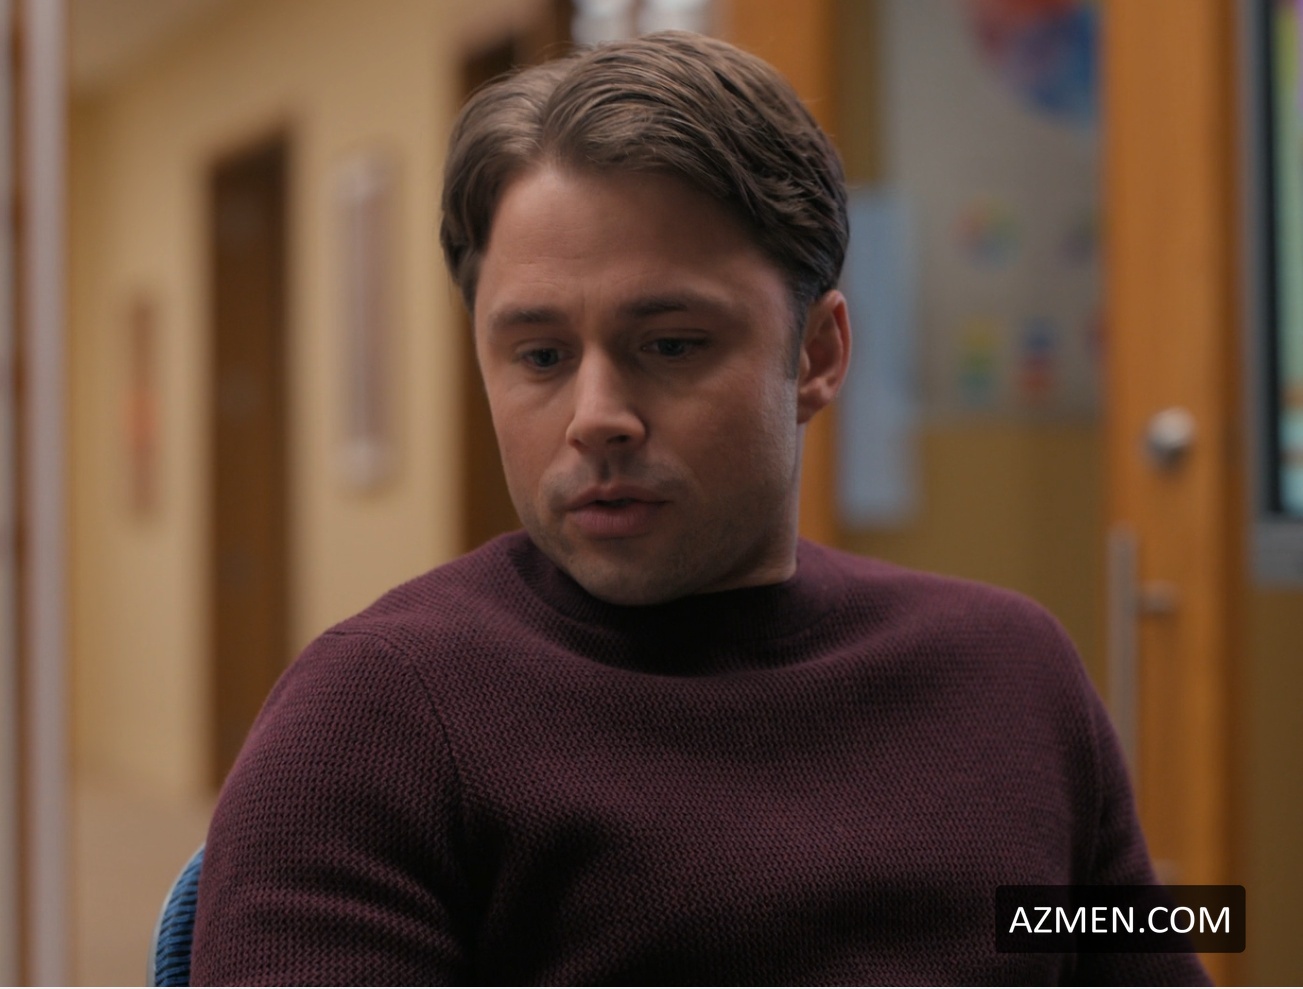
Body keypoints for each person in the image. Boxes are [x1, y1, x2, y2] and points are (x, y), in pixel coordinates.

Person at [191, 31, 1209, 985]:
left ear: (815, 354)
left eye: (671, 344)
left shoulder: (1009, 671)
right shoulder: (375, 720)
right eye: (540, 356)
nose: (597, 416)